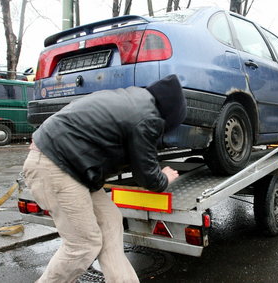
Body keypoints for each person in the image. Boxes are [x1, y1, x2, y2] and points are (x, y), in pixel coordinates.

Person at [23, 74, 186, 283]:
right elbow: (148, 176)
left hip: (71, 167)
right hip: (57, 167)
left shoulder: (135, 99)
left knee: (110, 219)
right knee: (84, 245)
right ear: (170, 116)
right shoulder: (148, 117)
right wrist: (164, 177)